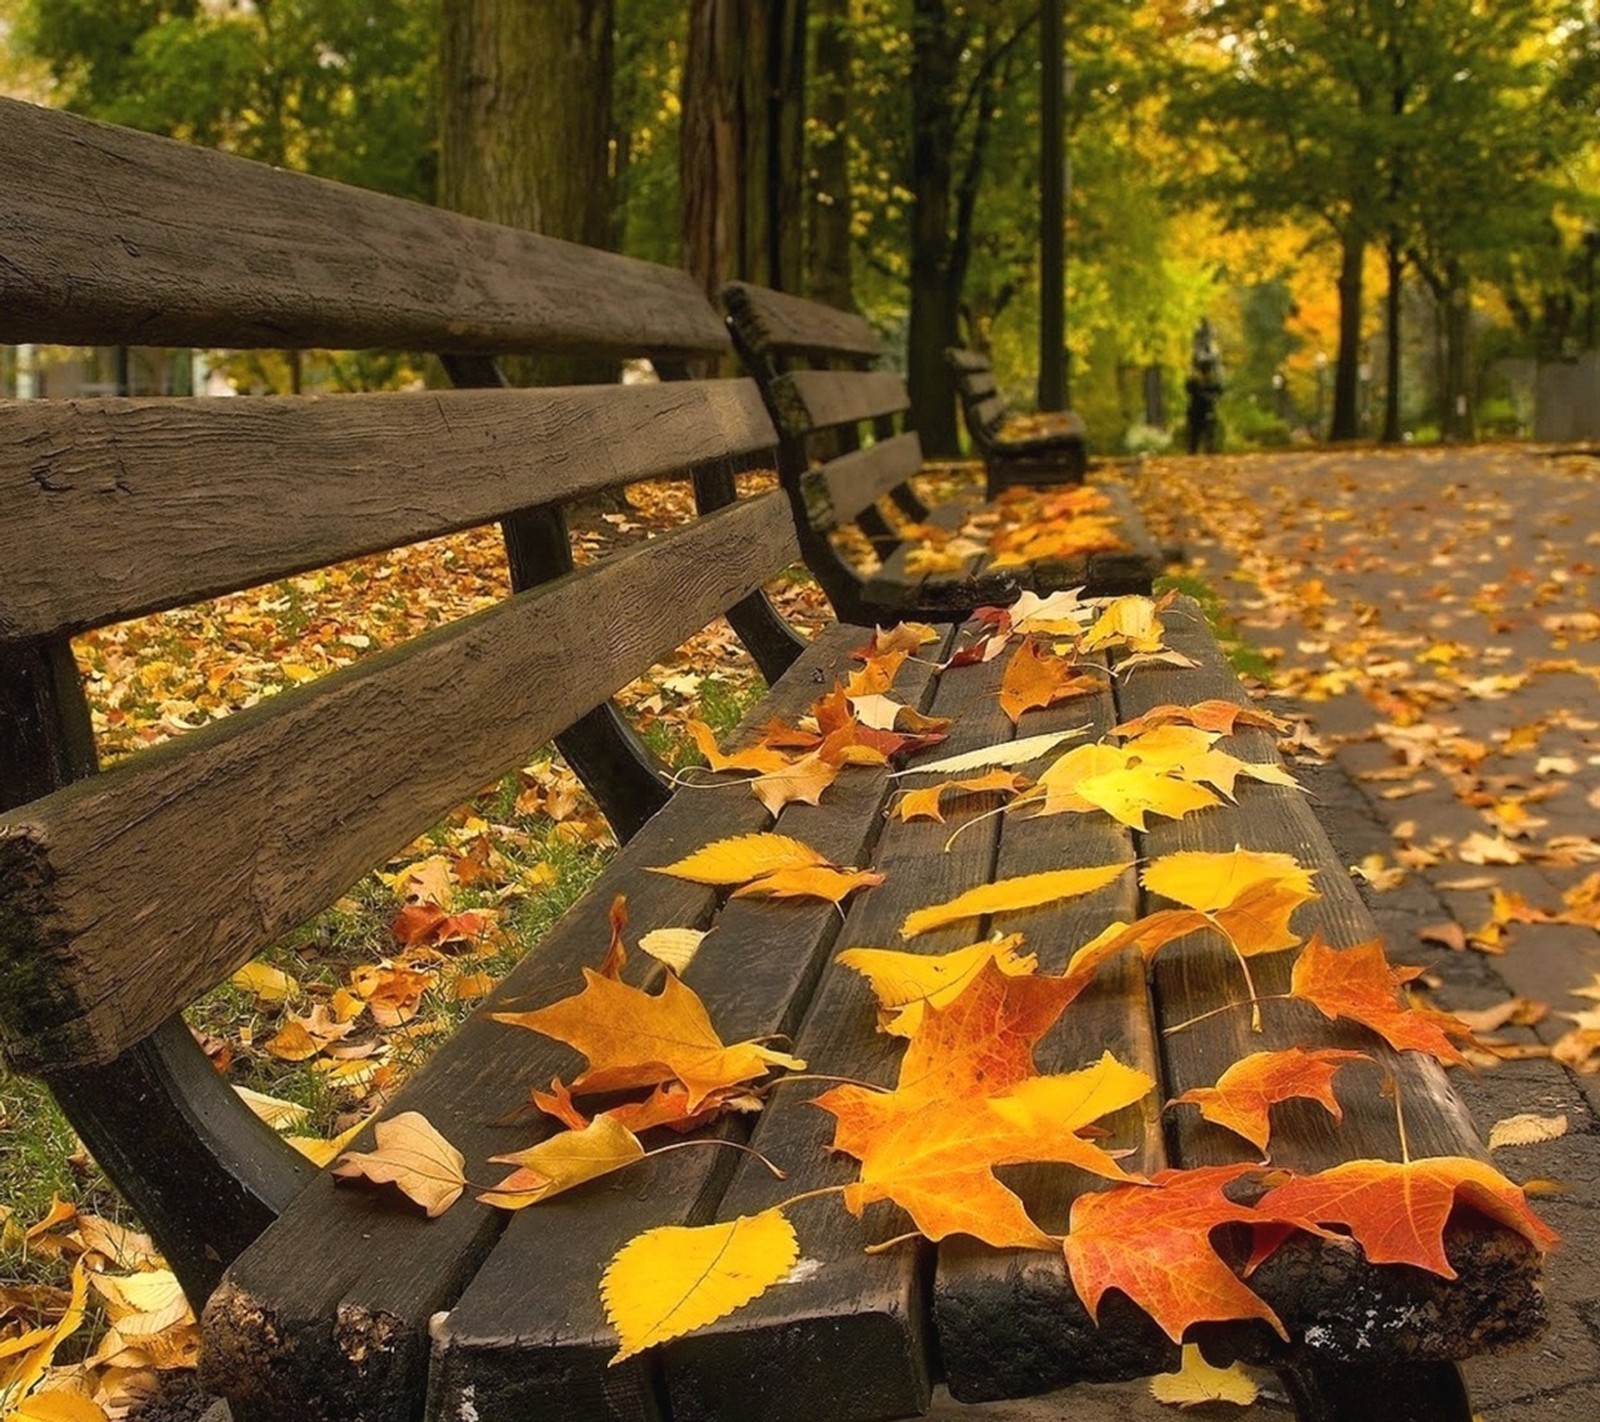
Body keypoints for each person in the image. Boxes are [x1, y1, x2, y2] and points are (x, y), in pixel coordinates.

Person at [1184, 321, 1224, 454]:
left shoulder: (1213, 352)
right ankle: (1194, 448)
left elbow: (1218, 374)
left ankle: (1209, 446)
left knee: (1209, 421)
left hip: (1208, 393)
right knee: (1195, 424)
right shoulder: (1196, 352)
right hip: (1197, 395)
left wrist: (1217, 389)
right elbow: (1190, 380)